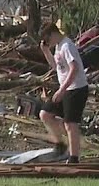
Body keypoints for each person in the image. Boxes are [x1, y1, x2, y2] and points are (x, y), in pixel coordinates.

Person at [38, 22, 89, 164]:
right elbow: (57, 67)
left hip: (76, 88)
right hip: (66, 88)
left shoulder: (67, 46)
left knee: (71, 124)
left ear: (53, 34)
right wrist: (46, 51)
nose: (48, 42)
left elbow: (74, 68)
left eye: (47, 39)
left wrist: (62, 89)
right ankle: (60, 144)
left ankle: (74, 158)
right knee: (45, 114)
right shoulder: (58, 47)